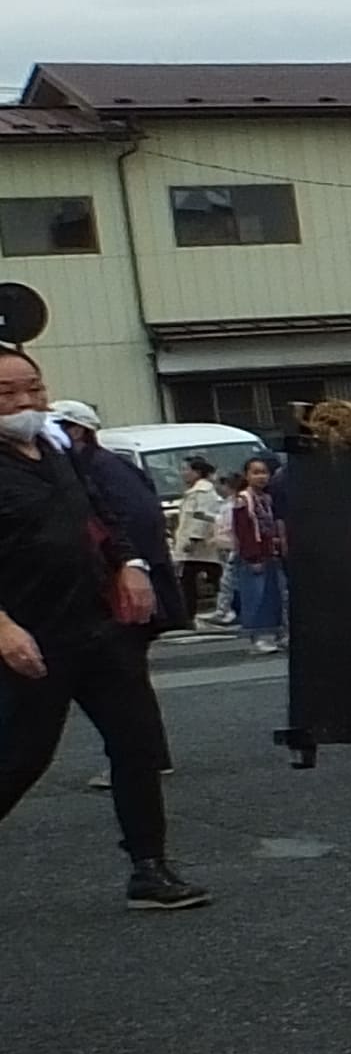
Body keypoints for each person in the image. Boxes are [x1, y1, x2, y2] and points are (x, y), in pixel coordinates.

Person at [0, 347, 205, 909]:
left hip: (100, 625)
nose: (25, 402)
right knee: (20, 757)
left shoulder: (57, 449)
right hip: (28, 634)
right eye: (7, 392)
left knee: (137, 744)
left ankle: (150, 868)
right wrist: (4, 627)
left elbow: (102, 515)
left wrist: (130, 564)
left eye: (33, 388)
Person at [222, 452, 288, 652]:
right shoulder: (244, 500)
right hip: (253, 555)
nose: (261, 477)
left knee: (272, 595)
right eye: (256, 473)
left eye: (264, 473)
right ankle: (259, 637)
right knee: (255, 596)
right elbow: (243, 530)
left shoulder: (266, 498)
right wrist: (252, 556)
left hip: (270, 553)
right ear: (247, 476)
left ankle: (275, 633)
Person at [171, 462, 230, 626]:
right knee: (201, 579)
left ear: (197, 472)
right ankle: (190, 615)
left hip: (199, 546)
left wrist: (194, 538)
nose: (183, 473)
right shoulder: (195, 492)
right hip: (198, 546)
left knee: (200, 579)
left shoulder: (203, 492)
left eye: (186, 469)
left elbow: (201, 517)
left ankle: (192, 615)